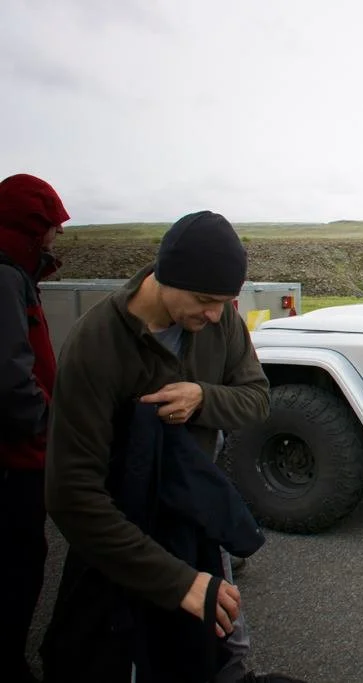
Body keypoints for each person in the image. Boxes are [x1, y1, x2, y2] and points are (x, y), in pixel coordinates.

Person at [43, 211, 273, 682]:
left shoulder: (220, 323)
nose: (214, 316)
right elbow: (71, 496)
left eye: (226, 302)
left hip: (196, 514)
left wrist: (203, 397)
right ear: (164, 276)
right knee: (116, 647)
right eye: (205, 300)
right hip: (120, 528)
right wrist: (178, 581)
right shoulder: (95, 344)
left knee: (224, 651)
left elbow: (256, 399)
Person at [0, 174, 69, 683]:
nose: (55, 238)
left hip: (21, 452)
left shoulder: (15, 273)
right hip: (15, 459)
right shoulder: (4, 276)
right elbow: (8, 375)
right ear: (30, 226)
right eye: (50, 227)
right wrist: (47, 426)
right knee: (19, 561)